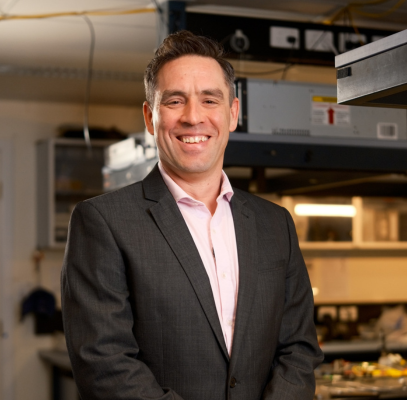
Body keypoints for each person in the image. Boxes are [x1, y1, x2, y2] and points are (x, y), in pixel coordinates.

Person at [61, 30, 323, 400]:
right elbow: (103, 364)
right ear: (150, 118)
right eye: (174, 101)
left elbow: (299, 348)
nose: (193, 117)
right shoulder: (102, 222)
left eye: (209, 99)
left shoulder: (275, 223)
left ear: (233, 113)